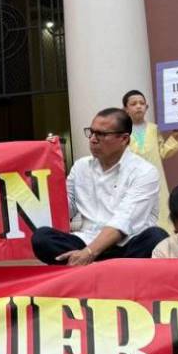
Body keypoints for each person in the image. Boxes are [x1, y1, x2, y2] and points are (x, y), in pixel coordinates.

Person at [31, 108, 168, 264]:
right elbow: (63, 211)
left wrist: (89, 253)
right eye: (91, 132)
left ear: (124, 139)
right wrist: (53, 166)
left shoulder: (144, 171)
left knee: (157, 238)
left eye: (101, 134)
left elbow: (124, 221)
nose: (93, 139)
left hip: (127, 245)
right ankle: (104, 268)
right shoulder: (80, 167)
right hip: (86, 240)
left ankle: (93, 267)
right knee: (42, 238)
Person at [123, 90, 178, 233]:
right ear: (125, 109)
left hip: (156, 180)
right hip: (131, 180)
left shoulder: (153, 129)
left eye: (142, 103)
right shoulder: (121, 131)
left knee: (161, 212)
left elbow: (162, 152)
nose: (138, 106)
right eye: (133, 104)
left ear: (147, 107)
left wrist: (175, 135)